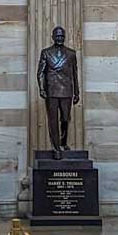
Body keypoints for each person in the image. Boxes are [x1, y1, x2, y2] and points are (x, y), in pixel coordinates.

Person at [37, 26, 80, 159]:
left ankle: (63, 142)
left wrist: (76, 92)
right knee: (53, 121)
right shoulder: (46, 52)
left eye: (62, 36)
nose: (60, 38)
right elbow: (40, 73)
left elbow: (74, 74)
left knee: (65, 119)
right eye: (57, 36)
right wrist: (42, 89)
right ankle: (56, 148)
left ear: (65, 37)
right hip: (51, 91)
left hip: (67, 90)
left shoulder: (71, 53)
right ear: (53, 37)